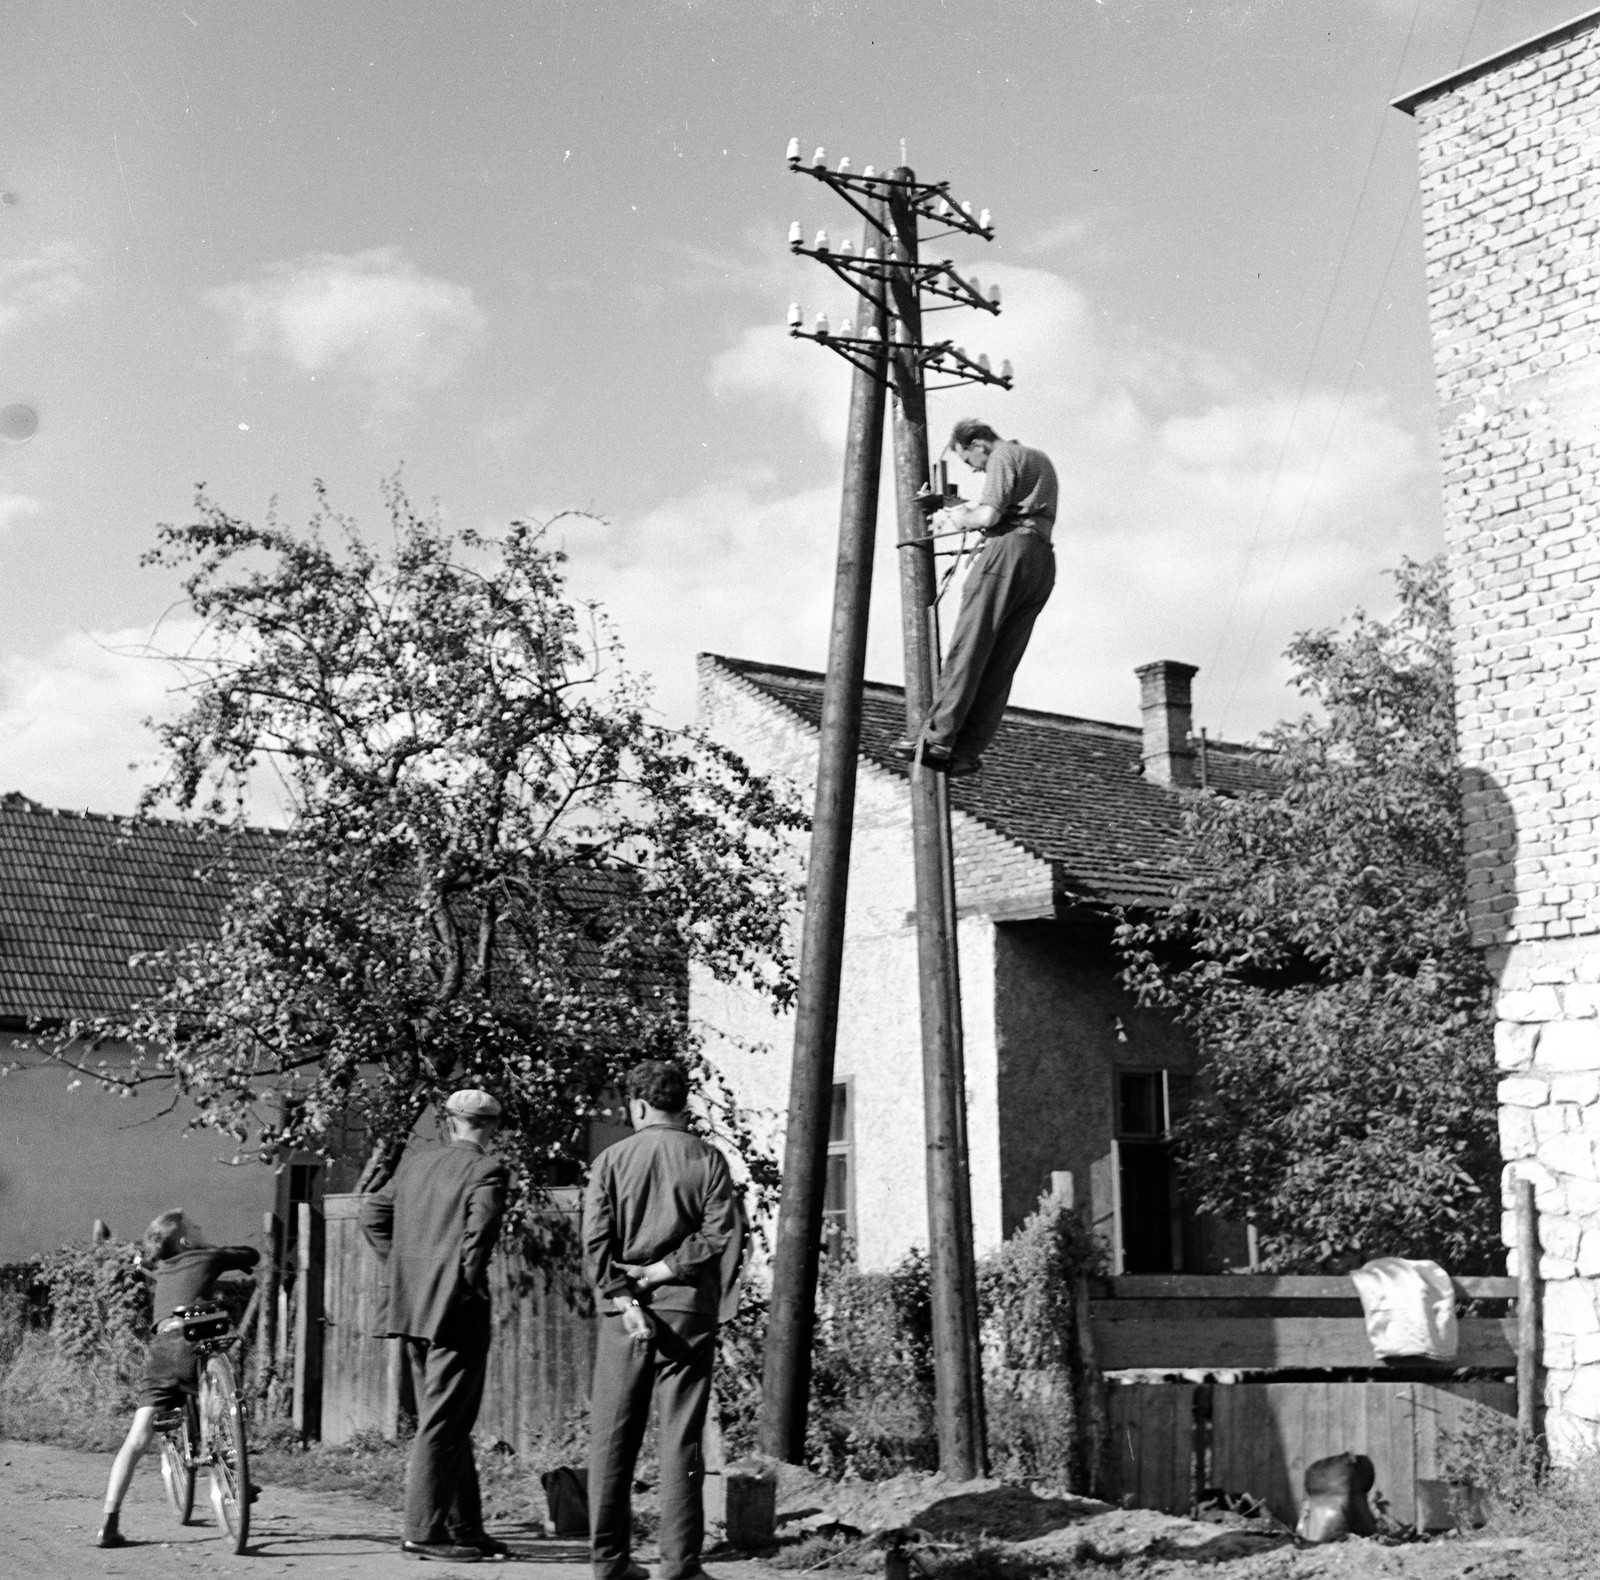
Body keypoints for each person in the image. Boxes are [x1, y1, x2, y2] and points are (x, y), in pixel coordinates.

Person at [584, 1060, 741, 1580]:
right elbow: (720, 1235)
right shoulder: (709, 1159)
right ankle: (681, 1565)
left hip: (621, 1314)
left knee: (612, 1438)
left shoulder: (611, 1159)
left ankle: (609, 1564)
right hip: (688, 1311)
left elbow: (595, 1247)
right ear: (681, 1104)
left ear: (641, 1105)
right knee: (681, 1438)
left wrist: (628, 1298)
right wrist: (662, 1270)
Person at [360, 1088, 510, 1564]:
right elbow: (479, 1238)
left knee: (450, 1418)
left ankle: (465, 1525)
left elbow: (371, 1214)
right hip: (455, 1313)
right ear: (492, 1127)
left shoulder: (415, 1166)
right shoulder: (487, 1169)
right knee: (443, 1422)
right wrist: (461, 1284)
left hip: (415, 1307)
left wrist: (408, 1268)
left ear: (448, 1122)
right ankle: (423, 1532)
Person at [895, 419, 1058, 776]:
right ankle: (966, 751)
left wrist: (957, 516)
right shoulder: (1038, 458)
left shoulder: (1003, 456)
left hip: (1008, 555)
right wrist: (961, 506)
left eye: (971, 461)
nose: (973, 468)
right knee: (1001, 663)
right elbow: (1015, 509)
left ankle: (937, 737)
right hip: (1041, 561)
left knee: (969, 646)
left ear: (979, 444)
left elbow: (988, 514)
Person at [96, 1212, 260, 1548]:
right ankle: (235, 1466)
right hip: (193, 1347)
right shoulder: (207, 1256)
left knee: (137, 1439)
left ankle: (108, 1523)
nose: (202, 1229)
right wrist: (233, 1255)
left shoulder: (163, 1268)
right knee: (220, 1404)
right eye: (196, 1228)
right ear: (186, 1241)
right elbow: (249, 1255)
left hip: (160, 1353)